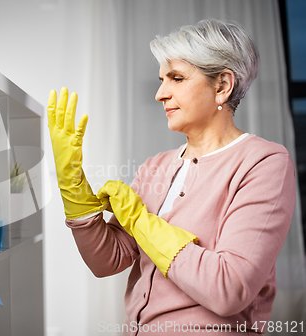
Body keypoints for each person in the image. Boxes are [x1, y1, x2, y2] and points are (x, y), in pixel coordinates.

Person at [47, 19, 296, 335]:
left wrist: (140, 220)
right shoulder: (156, 167)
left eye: (176, 78)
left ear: (222, 86)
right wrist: (72, 182)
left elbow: (228, 289)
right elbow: (106, 261)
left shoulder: (263, 163)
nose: (160, 94)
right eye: (162, 79)